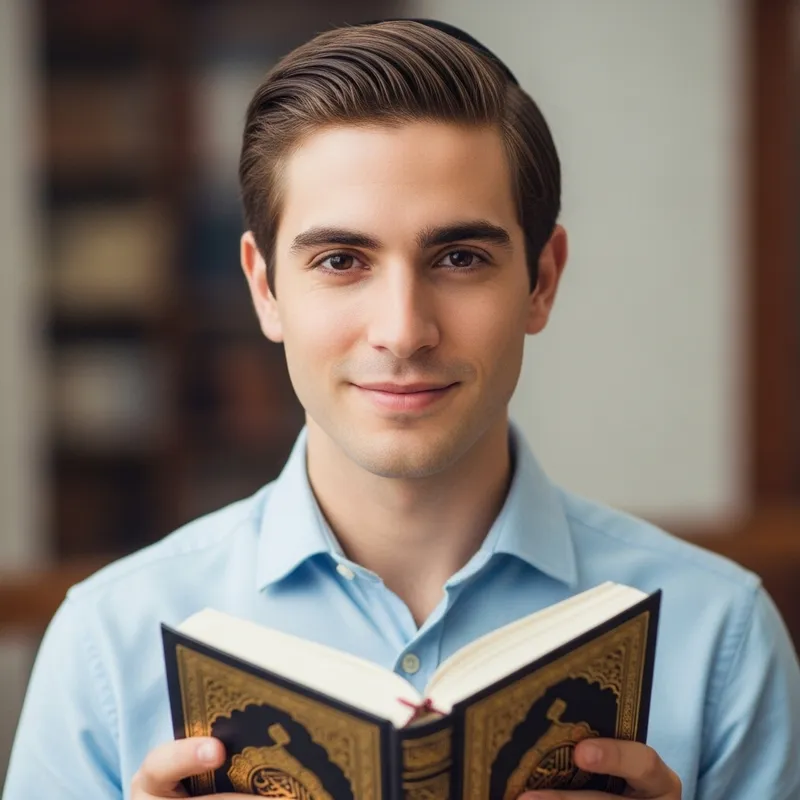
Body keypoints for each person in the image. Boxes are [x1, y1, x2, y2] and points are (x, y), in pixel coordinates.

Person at [4, 18, 799, 800]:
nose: (403, 331)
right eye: (341, 260)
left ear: (542, 280)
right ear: (264, 288)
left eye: (459, 258)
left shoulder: (721, 636)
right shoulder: (107, 641)